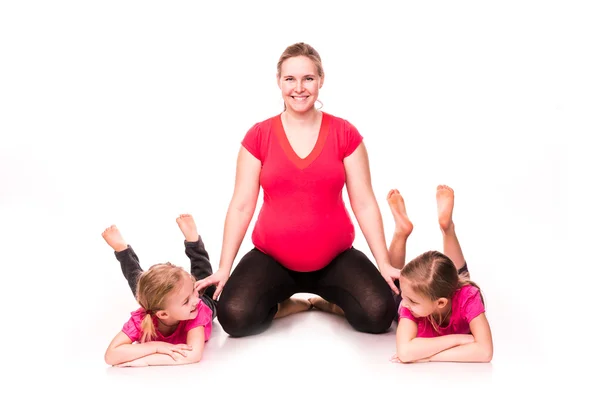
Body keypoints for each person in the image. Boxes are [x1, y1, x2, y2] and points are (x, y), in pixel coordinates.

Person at [195, 42, 399, 337]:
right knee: (234, 316)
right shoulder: (259, 135)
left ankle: (328, 303)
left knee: (379, 314)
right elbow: (241, 205)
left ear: (321, 81)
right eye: (290, 79)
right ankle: (290, 304)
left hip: (335, 259)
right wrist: (224, 267)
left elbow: (364, 203)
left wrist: (383, 263)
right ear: (279, 82)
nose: (299, 88)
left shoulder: (345, 133)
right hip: (272, 259)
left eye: (308, 79)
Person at [387, 185, 494, 363]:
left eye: (412, 301)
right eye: (407, 298)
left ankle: (447, 228)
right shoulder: (408, 302)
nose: (406, 304)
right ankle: (402, 232)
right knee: (391, 290)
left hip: (455, 291)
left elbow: (485, 352)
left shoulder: (468, 297)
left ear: (440, 303)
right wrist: (459, 339)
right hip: (430, 292)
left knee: (460, 279)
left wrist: (429, 356)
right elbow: (405, 353)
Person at [101, 214, 216, 367]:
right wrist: (156, 347)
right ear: (163, 314)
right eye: (186, 301)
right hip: (162, 304)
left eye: (191, 294)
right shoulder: (144, 318)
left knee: (204, 285)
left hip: (207, 303)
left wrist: (146, 360)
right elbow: (111, 356)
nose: (196, 300)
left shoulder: (197, 309)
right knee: (146, 290)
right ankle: (122, 250)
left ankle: (193, 242)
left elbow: (192, 355)